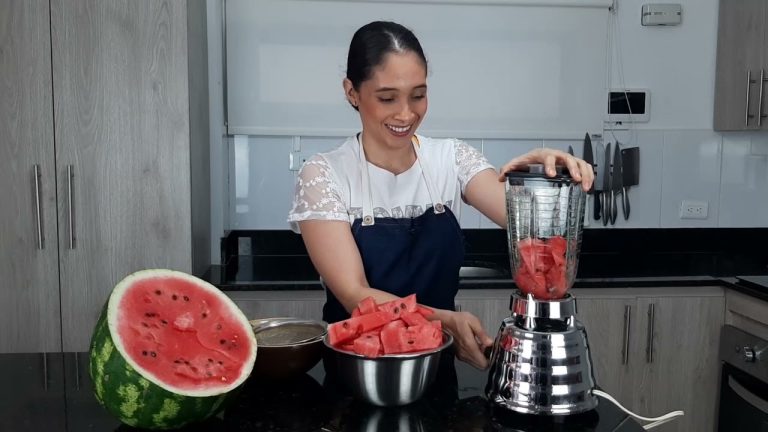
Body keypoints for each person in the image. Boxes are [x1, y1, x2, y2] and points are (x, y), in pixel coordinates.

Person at [287, 21, 594, 369]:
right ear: (351, 92)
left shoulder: (451, 159)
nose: (407, 114)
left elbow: (530, 225)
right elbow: (355, 295)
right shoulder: (324, 174)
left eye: (418, 95)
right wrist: (445, 321)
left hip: (436, 367)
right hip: (357, 372)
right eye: (388, 98)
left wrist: (536, 175)